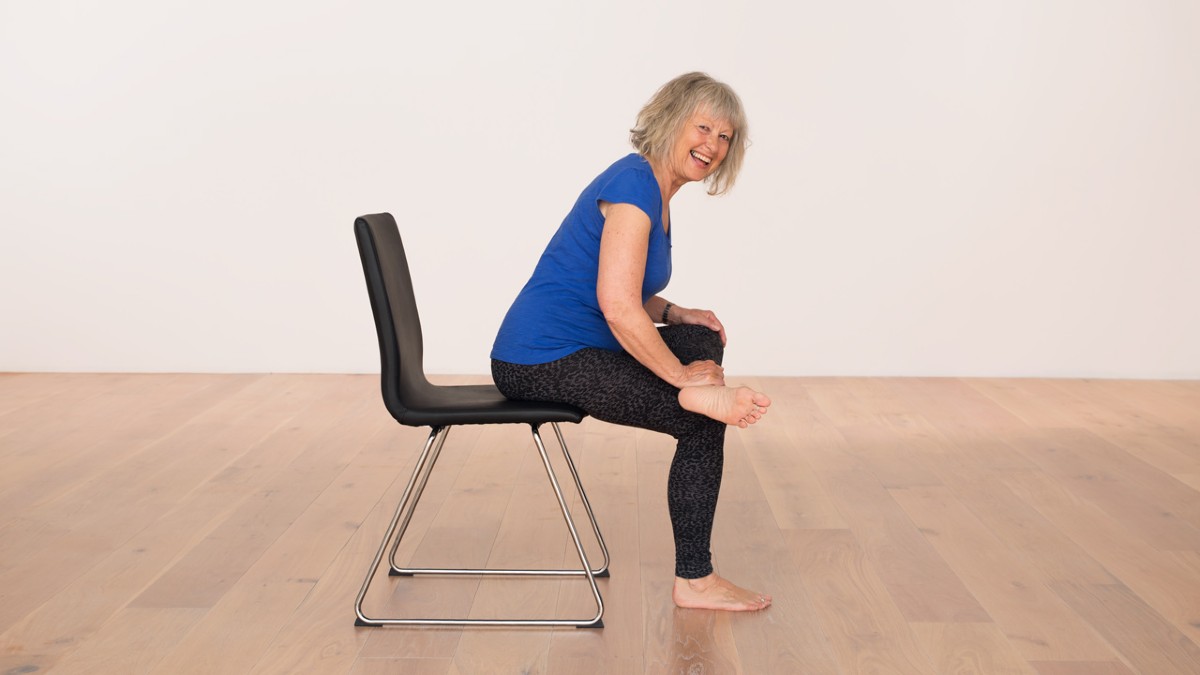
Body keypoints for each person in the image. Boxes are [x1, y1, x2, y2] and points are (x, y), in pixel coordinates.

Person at [490, 72, 772, 612]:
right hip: (539, 358)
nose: (712, 146)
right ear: (671, 122)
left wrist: (674, 312)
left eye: (725, 137)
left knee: (697, 332)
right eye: (704, 127)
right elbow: (617, 307)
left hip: (573, 346)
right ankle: (695, 580)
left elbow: (625, 289)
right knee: (699, 419)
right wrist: (680, 377)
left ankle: (699, 391)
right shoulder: (633, 186)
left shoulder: (652, 189)